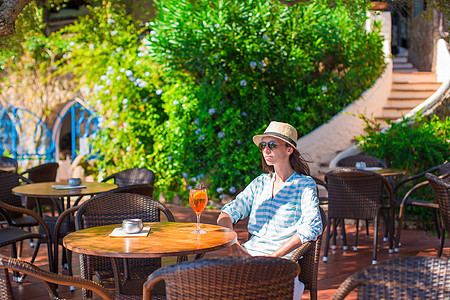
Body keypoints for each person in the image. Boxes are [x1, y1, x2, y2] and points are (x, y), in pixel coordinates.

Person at [217, 121, 323, 300]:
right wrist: (233, 244)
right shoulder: (260, 183)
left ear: (289, 149)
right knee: (204, 280)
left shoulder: (304, 185)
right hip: (247, 258)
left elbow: (312, 226)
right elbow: (227, 213)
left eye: (272, 145)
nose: (266, 150)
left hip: (280, 263)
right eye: (263, 145)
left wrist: (274, 257)